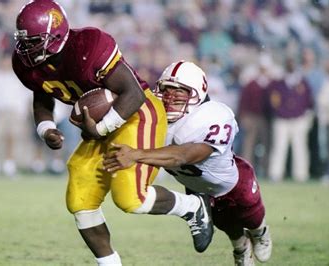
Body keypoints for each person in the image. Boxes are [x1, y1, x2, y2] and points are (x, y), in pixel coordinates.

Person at [11, 1, 212, 265]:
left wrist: (101, 128)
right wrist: (46, 128)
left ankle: (193, 207)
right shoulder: (26, 63)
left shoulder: (89, 45)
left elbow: (133, 93)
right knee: (79, 199)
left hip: (135, 113)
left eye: (34, 41)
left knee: (131, 198)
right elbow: (42, 95)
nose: (26, 48)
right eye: (23, 41)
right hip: (97, 126)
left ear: (56, 35)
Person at [103, 61, 273, 266]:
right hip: (198, 189)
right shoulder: (154, 117)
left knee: (252, 218)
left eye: (179, 92)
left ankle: (260, 233)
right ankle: (241, 248)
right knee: (226, 225)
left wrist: (136, 155)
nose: (170, 97)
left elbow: (186, 155)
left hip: (235, 183)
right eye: (166, 90)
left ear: (197, 94)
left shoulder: (211, 116)